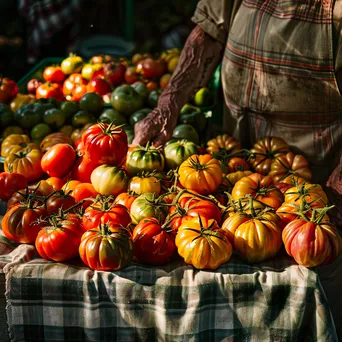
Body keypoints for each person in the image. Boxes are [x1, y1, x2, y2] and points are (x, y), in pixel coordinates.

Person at [132, 0, 342, 337]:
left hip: (311, 198)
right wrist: (167, 105)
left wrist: (335, 193)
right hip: (232, 174)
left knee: (312, 314)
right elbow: (208, 33)